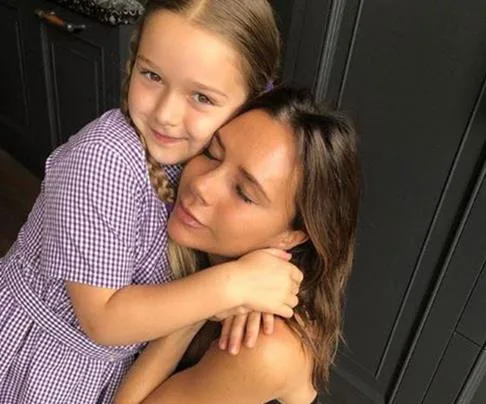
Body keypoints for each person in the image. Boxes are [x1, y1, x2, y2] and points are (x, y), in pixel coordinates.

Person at [0, 1, 303, 402]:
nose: (166, 115)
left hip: (114, 367)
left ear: (252, 100)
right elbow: (103, 319)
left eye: (202, 97)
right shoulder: (103, 160)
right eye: (152, 75)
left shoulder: (200, 162)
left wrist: (255, 286)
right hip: (40, 362)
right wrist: (234, 285)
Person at [114, 87, 361, 404]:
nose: (201, 185)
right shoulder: (185, 239)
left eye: (243, 193)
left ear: (292, 236)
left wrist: (208, 299)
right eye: (212, 153)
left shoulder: (264, 346)